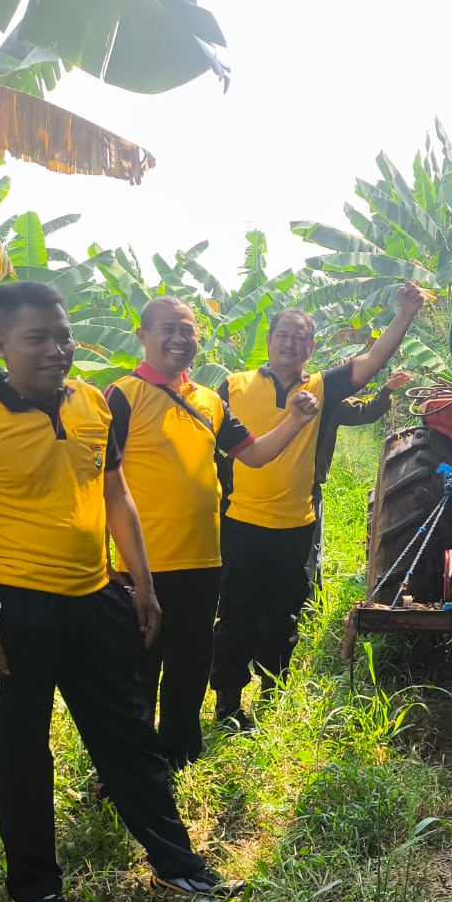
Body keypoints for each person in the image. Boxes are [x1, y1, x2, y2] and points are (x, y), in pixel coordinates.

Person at [0, 282, 234, 902]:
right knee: (19, 753)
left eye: (63, 335)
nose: (56, 349)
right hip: (14, 607)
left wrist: (142, 584)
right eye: (36, 338)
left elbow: (116, 495)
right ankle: (36, 893)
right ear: (0, 345)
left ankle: (177, 865)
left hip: (96, 597)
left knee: (128, 733)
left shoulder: (94, 403)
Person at [105, 296, 319, 771]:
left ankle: (179, 755)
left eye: (188, 330)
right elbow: (97, 481)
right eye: (168, 329)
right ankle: (129, 766)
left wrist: (296, 420)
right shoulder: (122, 396)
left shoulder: (210, 401)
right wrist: (106, 563)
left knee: (190, 665)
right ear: (143, 336)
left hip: (202, 561)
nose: (179, 339)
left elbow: (255, 455)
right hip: (140, 565)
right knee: (138, 669)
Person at [212, 283, 424, 730]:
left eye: (300, 339)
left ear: (310, 349)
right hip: (240, 522)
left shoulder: (323, 387)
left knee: (283, 613)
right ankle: (228, 702)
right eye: (283, 335)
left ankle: (272, 690)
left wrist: (405, 314)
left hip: (296, 525)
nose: (290, 344)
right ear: (269, 340)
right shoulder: (232, 386)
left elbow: (371, 361)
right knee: (235, 614)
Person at [306, 369, 413, 590]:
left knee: (310, 551)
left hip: (308, 488)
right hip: (267, 485)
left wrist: (386, 391)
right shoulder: (263, 398)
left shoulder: (327, 400)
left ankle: (309, 603)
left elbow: (367, 411)